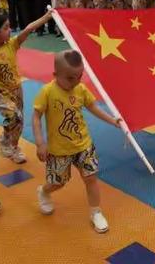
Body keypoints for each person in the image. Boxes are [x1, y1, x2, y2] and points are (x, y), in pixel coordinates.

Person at [32, 50, 121, 232]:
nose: (76, 82)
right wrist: (40, 142)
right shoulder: (47, 91)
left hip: (83, 145)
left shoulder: (80, 89)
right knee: (58, 182)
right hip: (58, 149)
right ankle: (44, 191)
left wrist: (113, 120)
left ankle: (95, 212)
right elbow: (36, 117)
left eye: (79, 77)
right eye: (70, 78)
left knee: (91, 178)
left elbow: (93, 107)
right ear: (55, 75)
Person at [0, 10, 53, 164]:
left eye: (10, 27)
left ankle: (14, 148)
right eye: (6, 28)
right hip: (0, 92)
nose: (10, 30)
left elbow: (28, 29)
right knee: (15, 116)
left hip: (17, 90)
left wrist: (46, 17)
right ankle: (4, 141)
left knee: (19, 121)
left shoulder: (11, 45)